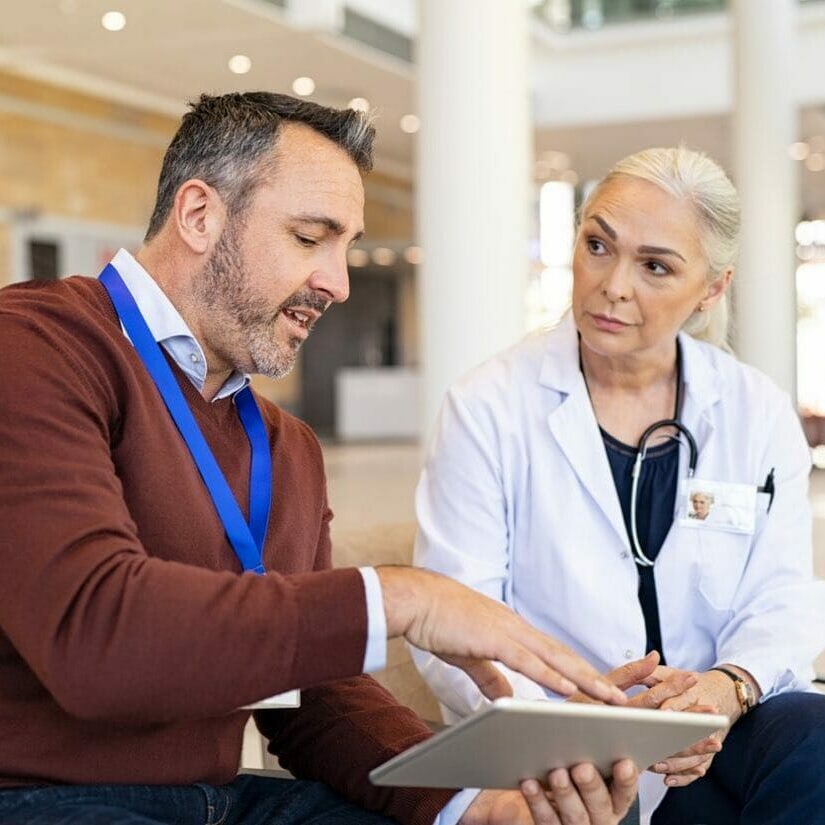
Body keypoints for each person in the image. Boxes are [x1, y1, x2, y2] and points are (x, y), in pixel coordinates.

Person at [0, 92, 639, 825]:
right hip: (39, 797)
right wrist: (404, 596)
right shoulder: (35, 348)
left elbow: (309, 689)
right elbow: (97, 635)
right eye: (311, 237)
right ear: (200, 215)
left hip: (221, 800)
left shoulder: (285, 445)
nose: (336, 281)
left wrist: (470, 806)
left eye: (345, 245)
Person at [412, 146, 825, 825]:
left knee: (812, 734)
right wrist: (581, 729)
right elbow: (454, 622)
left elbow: (781, 593)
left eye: (655, 265)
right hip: (562, 751)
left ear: (711, 289)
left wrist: (725, 688)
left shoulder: (752, 409)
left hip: (711, 743)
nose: (612, 285)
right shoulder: (487, 406)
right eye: (597, 245)